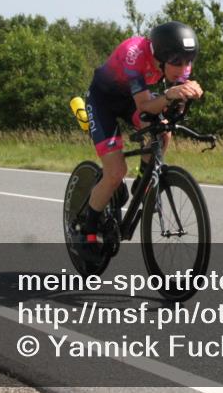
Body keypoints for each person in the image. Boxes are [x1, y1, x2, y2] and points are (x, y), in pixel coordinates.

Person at [69, 21, 203, 254]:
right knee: (115, 173)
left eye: (188, 62)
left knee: (163, 131)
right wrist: (170, 94)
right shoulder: (134, 53)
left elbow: (169, 106)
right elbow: (145, 105)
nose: (183, 69)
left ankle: (144, 179)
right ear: (160, 57)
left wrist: (183, 99)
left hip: (132, 99)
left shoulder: (181, 63)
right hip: (104, 103)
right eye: (177, 63)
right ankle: (87, 232)